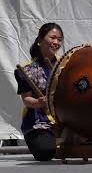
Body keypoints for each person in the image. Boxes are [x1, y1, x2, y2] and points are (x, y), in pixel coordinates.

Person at [14, 23, 64, 161]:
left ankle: (64, 142)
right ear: (40, 40)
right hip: (39, 122)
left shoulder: (66, 65)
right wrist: (37, 102)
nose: (56, 42)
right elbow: (26, 99)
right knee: (45, 151)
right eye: (52, 37)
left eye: (59, 39)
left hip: (65, 121)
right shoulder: (26, 69)